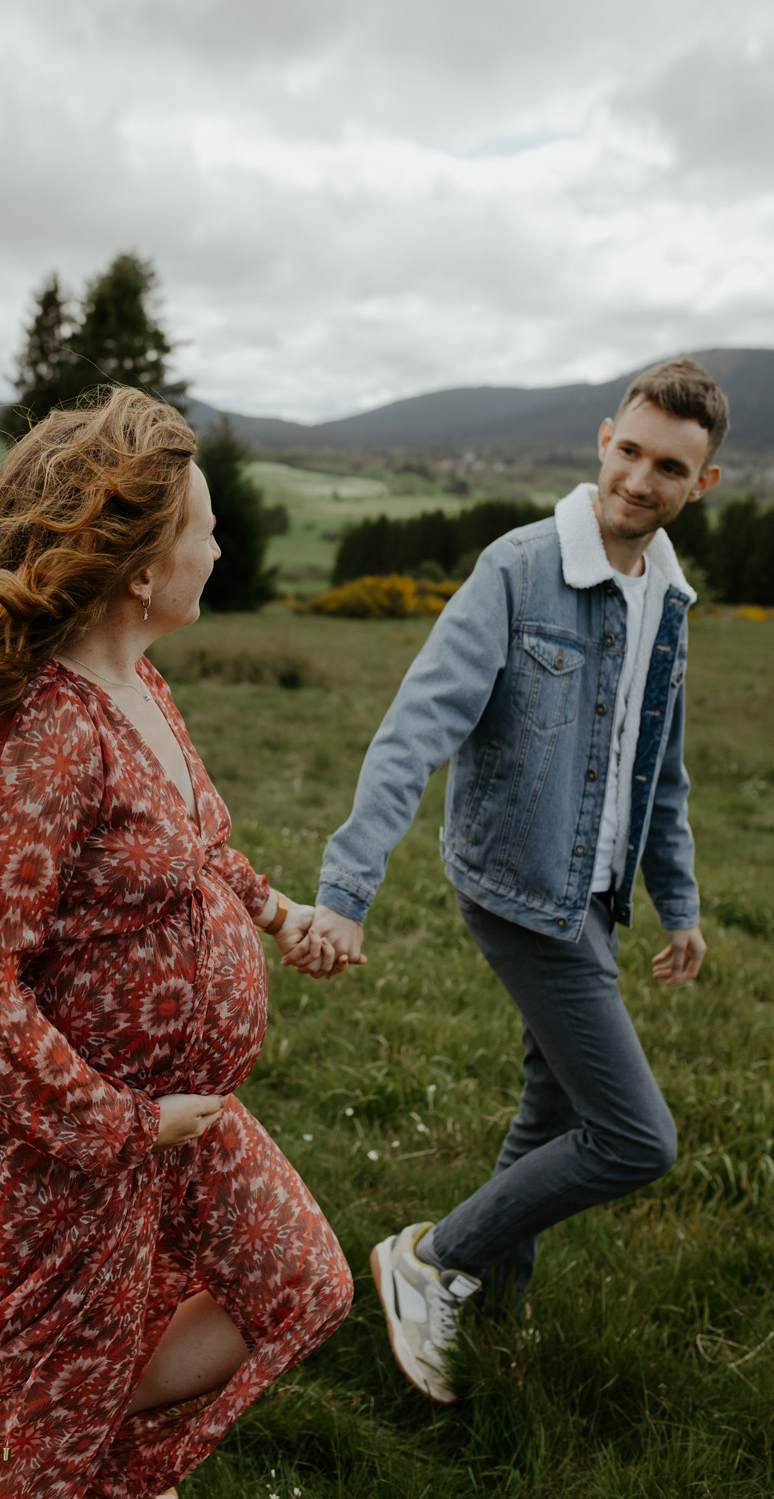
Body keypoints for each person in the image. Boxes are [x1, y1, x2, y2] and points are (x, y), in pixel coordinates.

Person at [0, 387, 352, 1497]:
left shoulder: (144, 687)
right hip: (64, 1150)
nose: (223, 544)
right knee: (17, 1410)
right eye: (206, 526)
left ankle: (66, 1416)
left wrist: (280, 916)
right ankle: (21, 1422)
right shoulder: (45, 731)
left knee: (298, 1280)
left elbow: (199, 846)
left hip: (179, 1119)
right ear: (142, 568)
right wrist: (126, 1123)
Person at [290, 356, 727, 1405]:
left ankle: (491, 1317)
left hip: (599, 893)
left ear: (699, 485)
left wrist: (681, 900)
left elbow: (656, 766)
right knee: (633, 1136)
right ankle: (434, 1257)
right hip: (520, 888)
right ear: (600, 438)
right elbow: (412, 732)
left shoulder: (667, 595)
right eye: (628, 450)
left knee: (550, 1109)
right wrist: (345, 892)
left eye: (669, 466)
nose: (639, 478)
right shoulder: (519, 568)